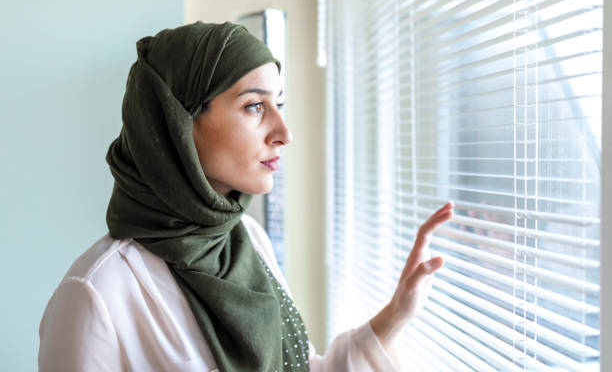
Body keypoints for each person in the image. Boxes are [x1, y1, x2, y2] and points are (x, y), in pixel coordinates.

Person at [38, 21, 453, 372]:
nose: (284, 132)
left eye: (280, 103)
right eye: (255, 106)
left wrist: (397, 313)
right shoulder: (97, 295)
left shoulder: (247, 240)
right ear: (178, 123)